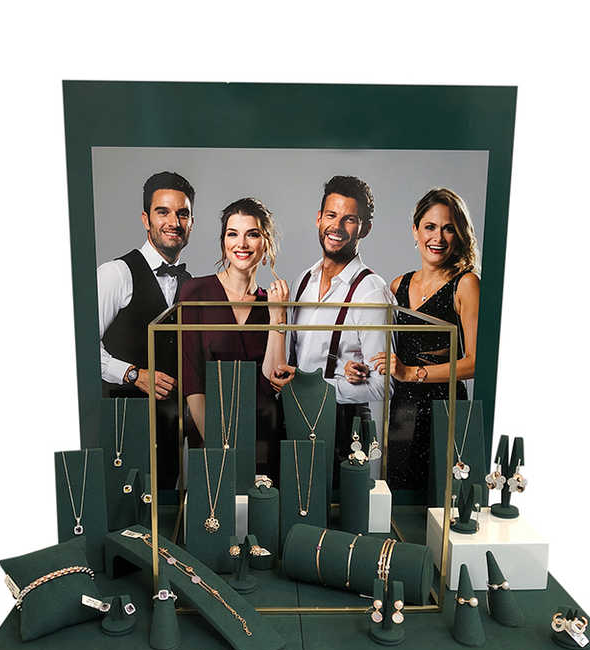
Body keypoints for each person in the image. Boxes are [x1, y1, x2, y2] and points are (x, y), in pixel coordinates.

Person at [271, 175, 394, 472]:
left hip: (344, 425)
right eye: (331, 215)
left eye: (349, 219)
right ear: (318, 218)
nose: (336, 227)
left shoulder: (371, 292)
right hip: (294, 417)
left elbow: (383, 386)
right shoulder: (304, 281)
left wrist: (314, 387)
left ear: (365, 228)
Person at [371, 187, 480, 503]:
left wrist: (412, 373)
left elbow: (476, 363)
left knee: (440, 502)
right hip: (402, 409)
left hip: (444, 409)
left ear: (459, 234)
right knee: (398, 498)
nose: (438, 237)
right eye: (430, 227)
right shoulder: (398, 285)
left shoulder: (466, 284)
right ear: (415, 230)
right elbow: (387, 351)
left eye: (449, 228)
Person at [97, 170, 195, 486]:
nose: (174, 222)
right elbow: (80, 348)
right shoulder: (115, 274)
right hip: (122, 426)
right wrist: (132, 374)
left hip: (170, 435)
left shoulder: (192, 286)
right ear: (145, 219)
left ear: (191, 222)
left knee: (163, 507)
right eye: (162, 212)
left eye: (182, 214)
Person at [180, 197, 288, 475]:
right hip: (209, 437)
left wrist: (277, 316)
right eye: (233, 234)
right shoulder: (195, 292)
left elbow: (273, 380)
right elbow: (192, 379)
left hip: (262, 436)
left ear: (266, 243)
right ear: (223, 242)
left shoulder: (270, 303)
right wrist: (219, 447)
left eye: (252, 234)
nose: (241, 244)